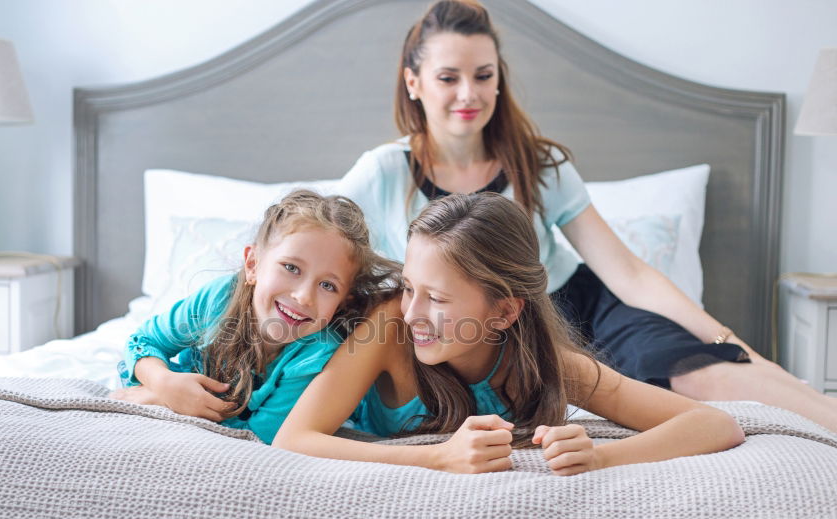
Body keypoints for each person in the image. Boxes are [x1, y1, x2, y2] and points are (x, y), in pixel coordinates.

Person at [335, 0, 837, 432]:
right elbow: (310, 250)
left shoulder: (539, 164)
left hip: (576, 307)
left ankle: (820, 410)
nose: (469, 93)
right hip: (472, 328)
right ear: (414, 82)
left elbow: (631, 273)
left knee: (706, 373)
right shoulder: (382, 173)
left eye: (484, 76)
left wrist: (729, 340)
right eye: (449, 77)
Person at [274, 192, 745, 474]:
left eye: (437, 299)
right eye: (410, 288)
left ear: (503, 312)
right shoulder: (388, 327)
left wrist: (603, 459)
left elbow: (714, 423)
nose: (412, 312)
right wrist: (441, 458)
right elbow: (294, 438)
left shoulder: (543, 367)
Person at [111, 189, 399, 444]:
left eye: (327, 285)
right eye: (291, 268)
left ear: (341, 301)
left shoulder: (317, 353)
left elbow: (260, 437)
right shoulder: (218, 299)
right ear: (253, 264)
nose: (303, 296)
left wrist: (165, 401)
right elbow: (144, 340)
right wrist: (164, 382)